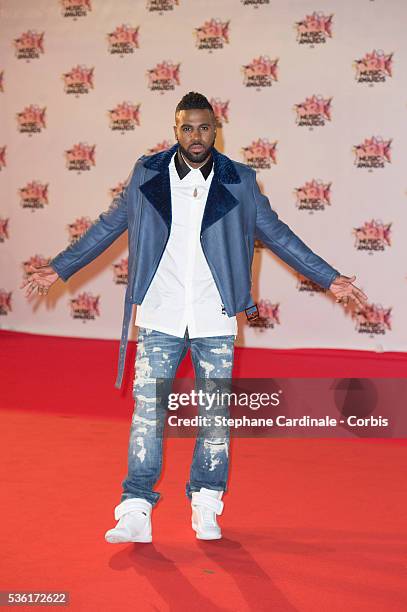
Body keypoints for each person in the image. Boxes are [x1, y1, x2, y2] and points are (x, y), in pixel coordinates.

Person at [21, 91, 368, 543]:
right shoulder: (147, 173)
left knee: (214, 418)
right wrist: (60, 266)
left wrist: (328, 277)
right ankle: (135, 509)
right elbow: (108, 225)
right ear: (175, 129)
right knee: (149, 414)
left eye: (204, 127)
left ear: (215, 129)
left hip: (214, 317)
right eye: (187, 127)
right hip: (161, 313)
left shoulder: (240, 181)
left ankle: (206, 502)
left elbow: (279, 236)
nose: (196, 136)